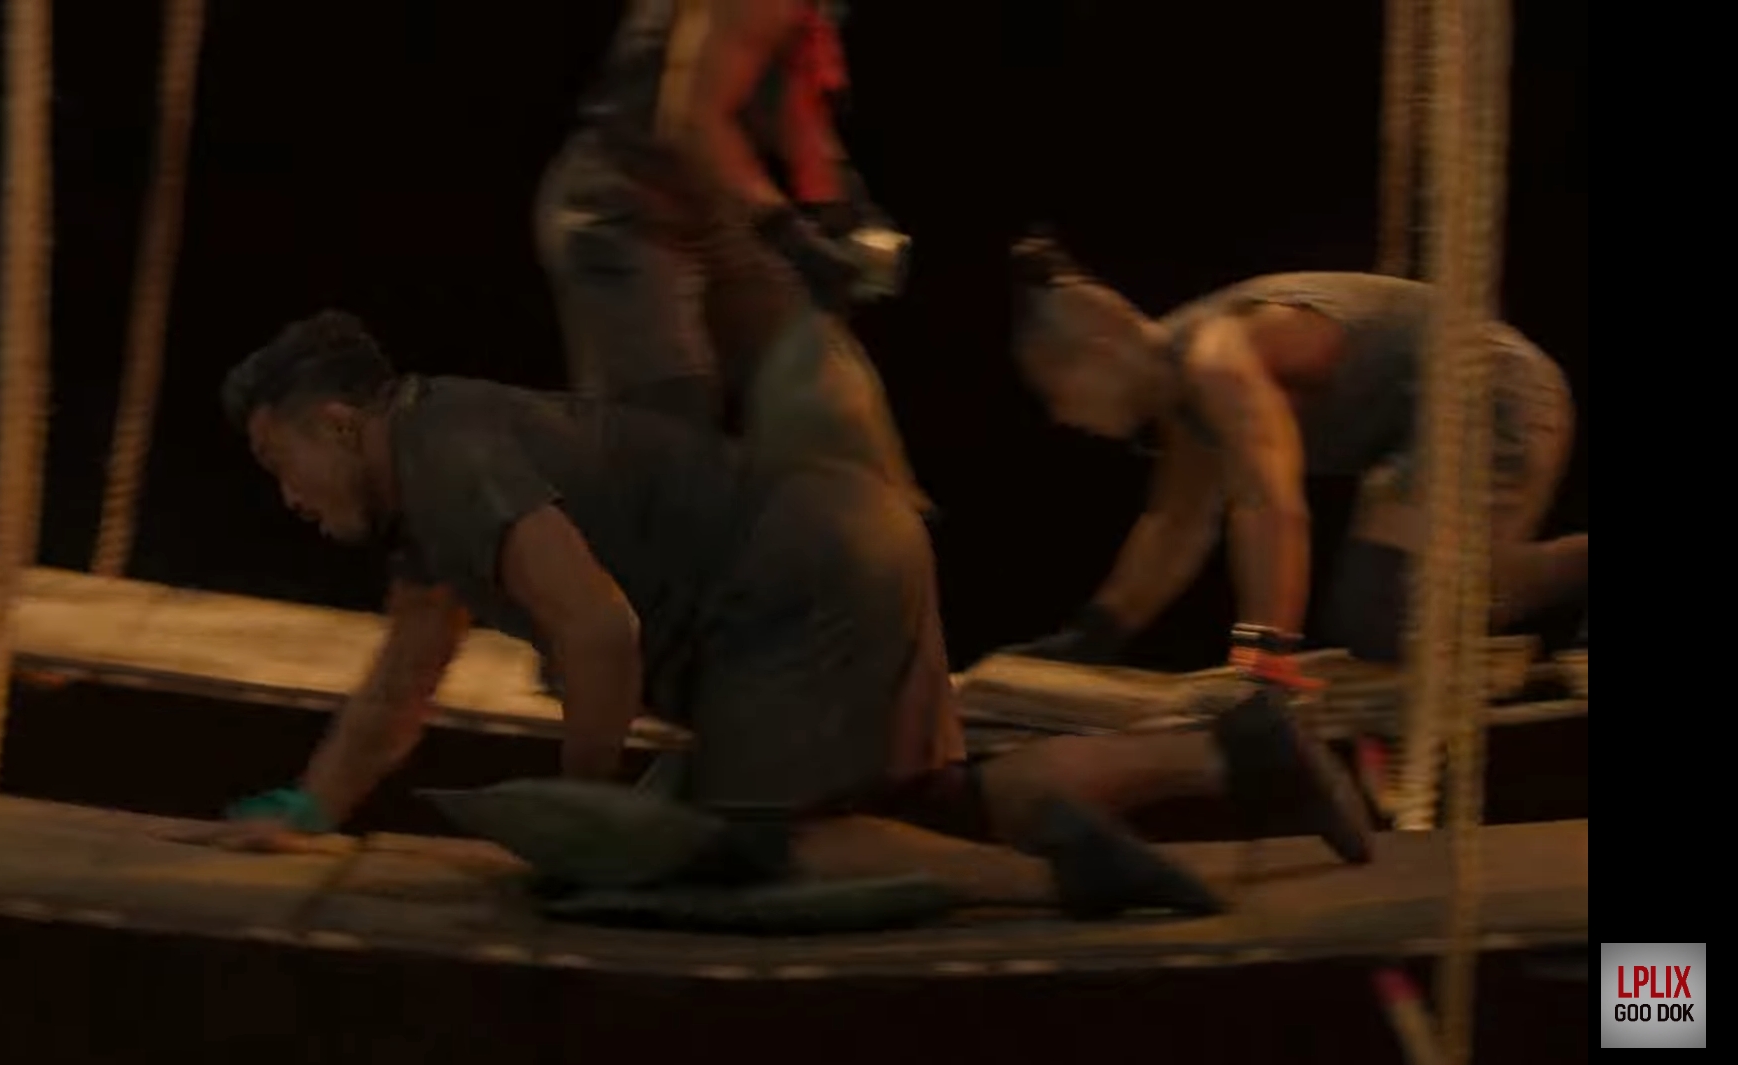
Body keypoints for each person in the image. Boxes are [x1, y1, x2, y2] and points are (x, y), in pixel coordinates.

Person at [166, 311, 1377, 921]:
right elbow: (401, 685)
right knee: (924, 800)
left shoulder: (445, 455)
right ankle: (1231, 753)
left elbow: (597, 631)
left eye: (281, 464)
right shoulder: (429, 496)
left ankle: (1060, 880)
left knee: (758, 846)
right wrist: (310, 808)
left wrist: (585, 820)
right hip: (853, 536)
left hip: (795, 578)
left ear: (340, 426)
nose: (287, 498)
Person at [1001, 236, 1589, 671]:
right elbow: (1175, 524)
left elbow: (1269, 502)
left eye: (1054, 393)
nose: (1060, 417)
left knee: (1385, 612)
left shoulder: (1216, 358)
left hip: (1493, 394)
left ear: (1102, 348)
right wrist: (1096, 632)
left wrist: (1265, 652)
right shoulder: (1186, 399)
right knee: (1380, 616)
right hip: (1423, 428)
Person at [534, 0, 921, 504]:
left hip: (713, 209)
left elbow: (796, 110)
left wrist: (845, 219)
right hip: (622, 211)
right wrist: (791, 237)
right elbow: (691, 121)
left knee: (827, 387)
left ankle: (858, 537)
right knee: (665, 429)